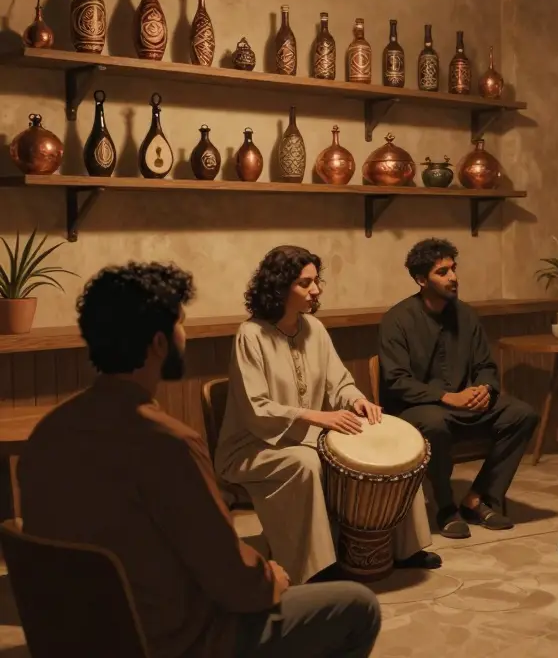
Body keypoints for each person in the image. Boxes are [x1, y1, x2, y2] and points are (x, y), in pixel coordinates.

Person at [19, 262, 381, 657]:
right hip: (171, 641)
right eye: (181, 323)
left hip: (77, 639)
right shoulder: (167, 445)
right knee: (357, 605)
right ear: (159, 343)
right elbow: (234, 580)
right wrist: (272, 577)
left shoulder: (47, 434)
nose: (185, 334)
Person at [217, 246, 438, 585]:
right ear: (279, 287)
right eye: (305, 283)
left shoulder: (314, 329)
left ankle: (404, 548)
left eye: (316, 281)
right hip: (253, 446)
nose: (316, 290)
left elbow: (340, 384)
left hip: (308, 438)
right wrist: (318, 417)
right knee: (308, 464)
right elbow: (256, 408)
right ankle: (315, 565)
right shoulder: (251, 336)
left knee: (391, 450)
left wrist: (357, 401)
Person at [378, 238, 539, 539]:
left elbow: (486, 366)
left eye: (453, 269)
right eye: (442, 272)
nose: (453, 277)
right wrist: (446, 397)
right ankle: (444, 507)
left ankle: (479, 498)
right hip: (417, 410)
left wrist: (485, 389)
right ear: (421, 279)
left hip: (465, 406)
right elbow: (397, 381)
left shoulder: (466, 315)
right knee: (435, 424)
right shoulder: (397, 320)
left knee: (522, 414)